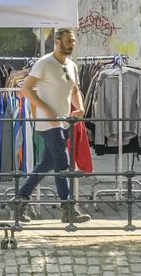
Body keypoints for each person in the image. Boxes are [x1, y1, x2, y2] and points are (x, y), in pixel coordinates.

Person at [12, 28, 88, 226]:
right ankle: (68, 208)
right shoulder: (44, 63)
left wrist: (79, 108)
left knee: (47, 163)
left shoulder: (71, 65)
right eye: (68, 40)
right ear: (57, 41)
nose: (72, 44)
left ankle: (20, 199)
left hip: (63, 121)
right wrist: (48, 110)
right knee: (63, 162)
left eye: (73, 41)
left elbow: (75, 90)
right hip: (48, 122)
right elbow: (25, 90)